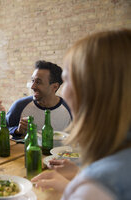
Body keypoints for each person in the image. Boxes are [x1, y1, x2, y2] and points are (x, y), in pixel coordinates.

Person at [31, 29, 131, 200]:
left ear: (92, 90)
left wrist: (82, 186)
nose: (65, 90)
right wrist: (77, 177)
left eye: (68, 78)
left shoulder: (96, 189)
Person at [6, 60, 72, 138]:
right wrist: (17, 131)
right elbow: (3, 132)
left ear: (55, 86)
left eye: (38, 82)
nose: (32, 86)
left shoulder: (70, 109)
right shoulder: (19, 106)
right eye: (33, 81)